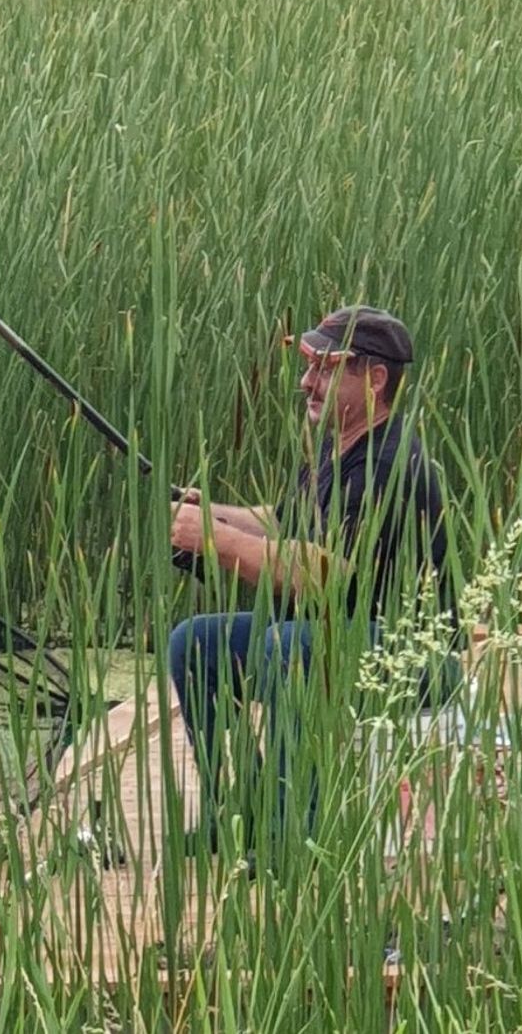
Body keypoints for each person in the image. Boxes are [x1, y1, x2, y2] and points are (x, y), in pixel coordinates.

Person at [167, 304, 448, 850]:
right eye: (309, 366)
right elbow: (286, 520)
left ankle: (296, 829)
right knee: (193, 643)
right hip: (338, 641)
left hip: (412, 653)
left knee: (287, 645)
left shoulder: (388, 466)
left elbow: (325, 572)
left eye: (325, 369)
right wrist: (215, 513)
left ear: (375, 379)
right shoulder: (335, 448)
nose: (306, 382)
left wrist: (216, 542)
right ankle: (240, 814)